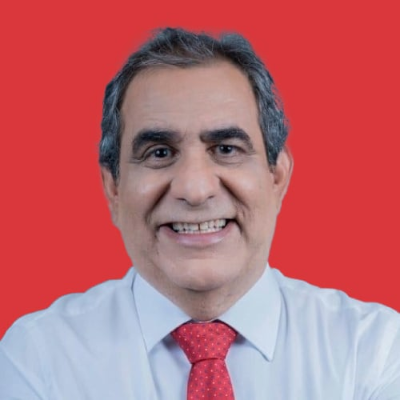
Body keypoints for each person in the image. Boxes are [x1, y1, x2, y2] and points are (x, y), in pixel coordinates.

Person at [0, 27, 399, 400]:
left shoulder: (373, 351)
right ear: (113, 189)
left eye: (226, 149)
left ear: (276, 177)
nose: (195, 189)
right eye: (159, 153)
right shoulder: (38, 357)